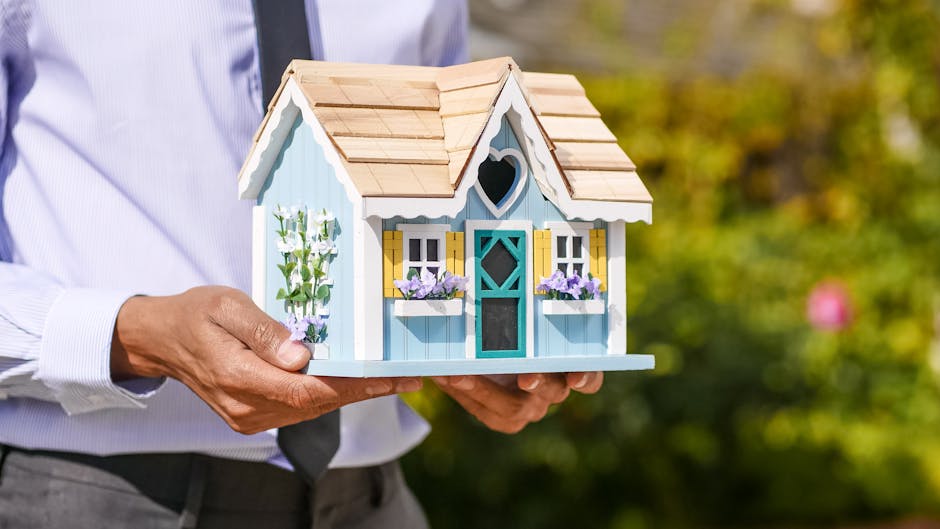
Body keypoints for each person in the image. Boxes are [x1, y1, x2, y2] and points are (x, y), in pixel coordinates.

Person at [0, 1, 603, 527]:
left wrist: (490, 337)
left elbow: (455, 191)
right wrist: (131, 336)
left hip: (371, 496)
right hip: (101, 496)